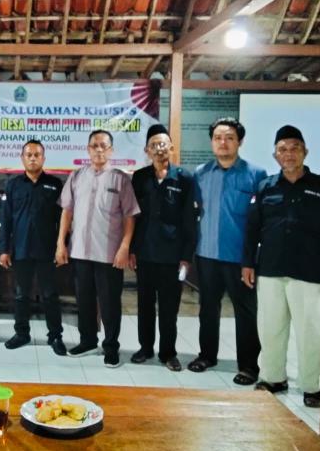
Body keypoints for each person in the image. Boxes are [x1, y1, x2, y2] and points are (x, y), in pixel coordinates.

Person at [242, 125, 320, 408]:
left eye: (294, 148)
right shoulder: (266, 187)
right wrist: (247, 263)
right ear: (275, 155)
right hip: (271, 269)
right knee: (270, 328)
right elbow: (252, 228)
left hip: (309, 271)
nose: (289, 154)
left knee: (310, 332)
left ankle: (311, 386)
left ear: (305, 152)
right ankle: (273, 378)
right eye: (283, 149)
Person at [188, 117, 267, 385]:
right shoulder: (201, 173)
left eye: (230, 138)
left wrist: (251, 260)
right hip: (207, 254)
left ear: (239, 142)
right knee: (208, 309)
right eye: (218, 138)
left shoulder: (256, 175)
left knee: (245, 312)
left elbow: (259, 221)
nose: (223, 142)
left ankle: (248, 366)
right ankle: (206, 356)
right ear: (212, 142)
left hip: (240, 258)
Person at [56, 130, 140, 368]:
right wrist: (61, 243)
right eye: (95, 145)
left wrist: (125, 247)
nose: (99, 150)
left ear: (111, 150)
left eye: (104, 145)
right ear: (88, 149)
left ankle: (111, 347)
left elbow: (130, 216)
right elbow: (67, 211)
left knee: (110, 303)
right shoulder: (77, 176)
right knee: (84, 300)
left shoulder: (120, 179)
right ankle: (87, 341)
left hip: (109, 254)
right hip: (80, 251)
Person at [129, 124, 197, 372]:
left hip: (172, 256)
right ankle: (145, 348)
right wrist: (132, 250)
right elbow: (133, 216)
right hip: (145, 253)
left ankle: (168, 353)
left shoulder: (185, 178)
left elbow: (189, 219)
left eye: (162, 144)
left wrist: (186, 256)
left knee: (169, 308)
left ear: (171, 147)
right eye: (154, 145)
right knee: (145, 304)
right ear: (147, 150)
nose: (159, 148)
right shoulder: (139, 177)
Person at [0, 140, 66, 356]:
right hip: (20, 250)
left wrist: (62, 246)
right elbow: (5, 219)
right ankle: (22, 333)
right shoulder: (13, 185)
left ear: (43, 158)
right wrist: (4, 249)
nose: (33, 158)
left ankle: (55, 335)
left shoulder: (55, 185)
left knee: (50, 295)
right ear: (22, 158)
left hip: (47, 250)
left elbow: (63, 220)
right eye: (28, 154)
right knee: (21, 295)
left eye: (37, 154)